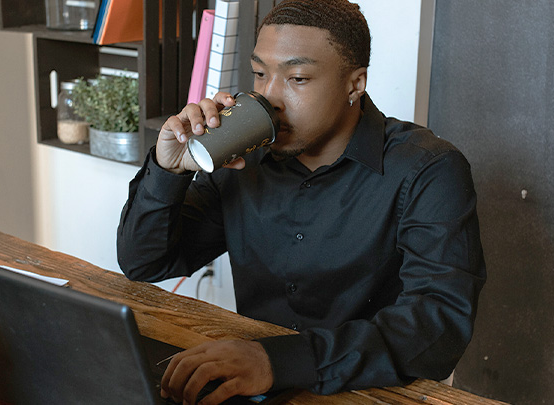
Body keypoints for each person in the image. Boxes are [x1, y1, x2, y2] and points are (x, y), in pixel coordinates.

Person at [117, 0, 486, 403]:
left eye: (297, 78)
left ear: (355, 84)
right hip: (252, 383)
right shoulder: (243, 159)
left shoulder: (428, 169)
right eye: (259, 74)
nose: (270, 97)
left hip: (366, 391)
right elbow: (145, 262)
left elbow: (437, 327)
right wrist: (170, 170)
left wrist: (278, 361)